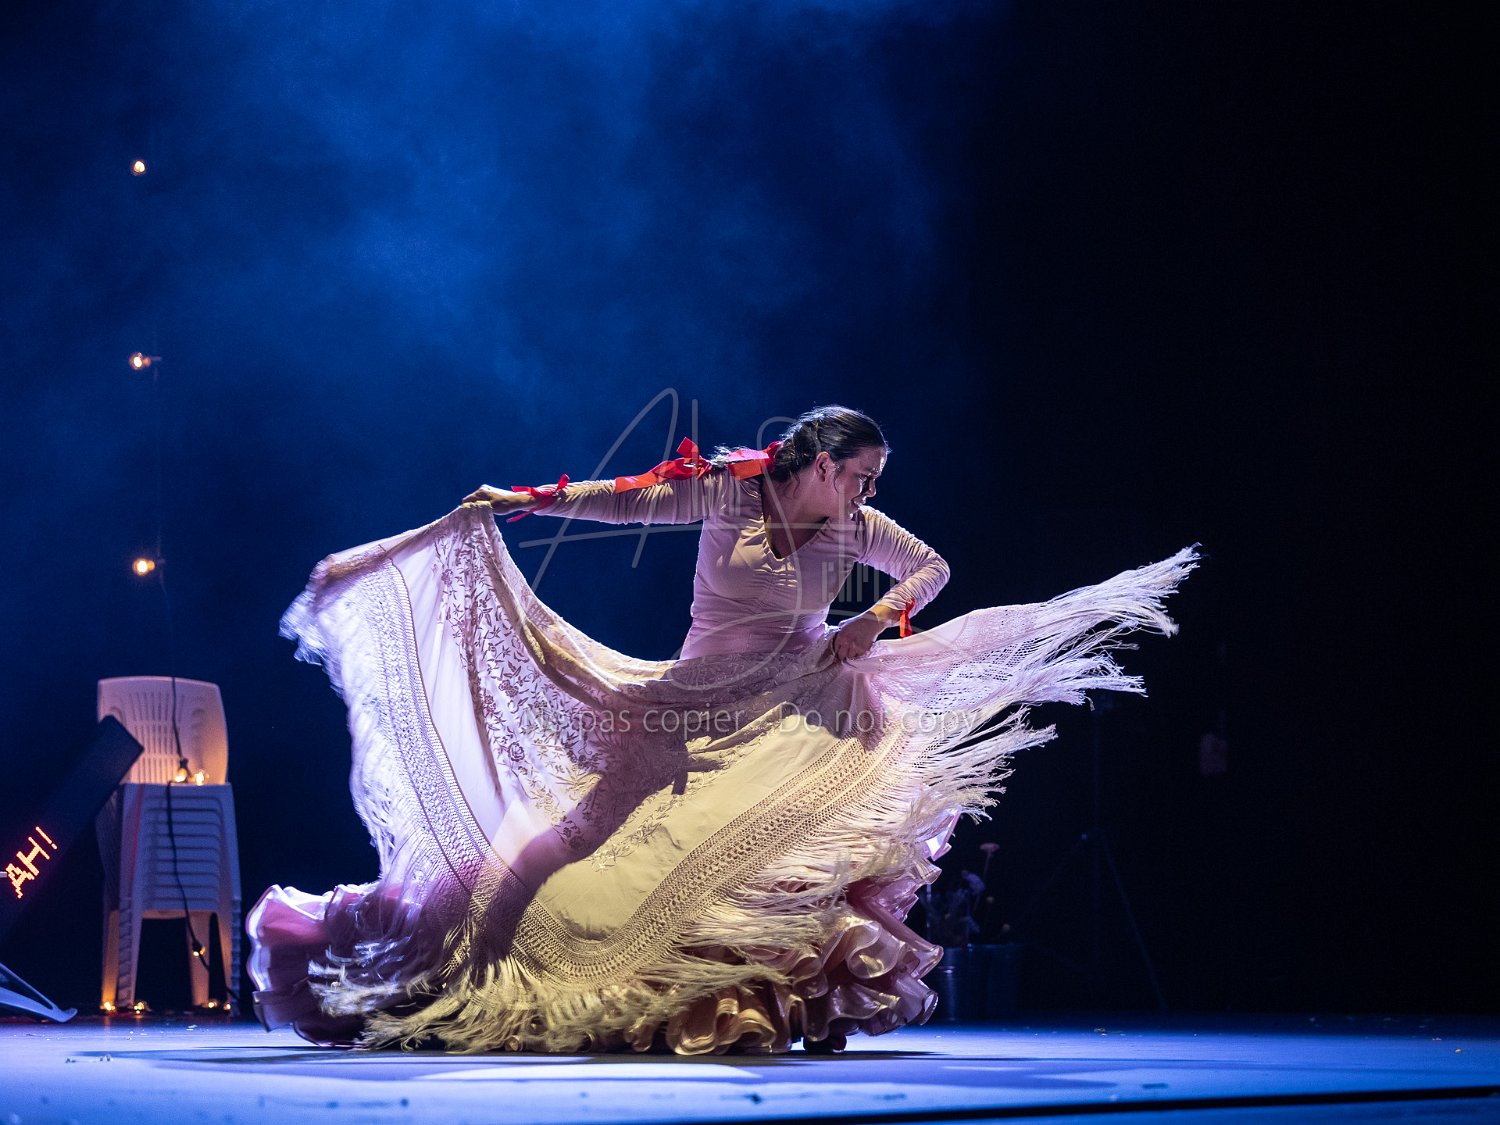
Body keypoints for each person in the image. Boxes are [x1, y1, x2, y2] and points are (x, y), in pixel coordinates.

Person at [247, 405, 1194, 1054]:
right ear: (819, 465)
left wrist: (874, 618)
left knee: (762, 848)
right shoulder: (734, 489)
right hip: (693, 703)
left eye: (874, 481)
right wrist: (529, 500)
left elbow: (932, 567)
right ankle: (462, 953)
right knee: (578, 843)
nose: (867, 492)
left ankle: (741, 999)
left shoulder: (857, 528)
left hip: (798, 700)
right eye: (859, 476)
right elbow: (627, 499)